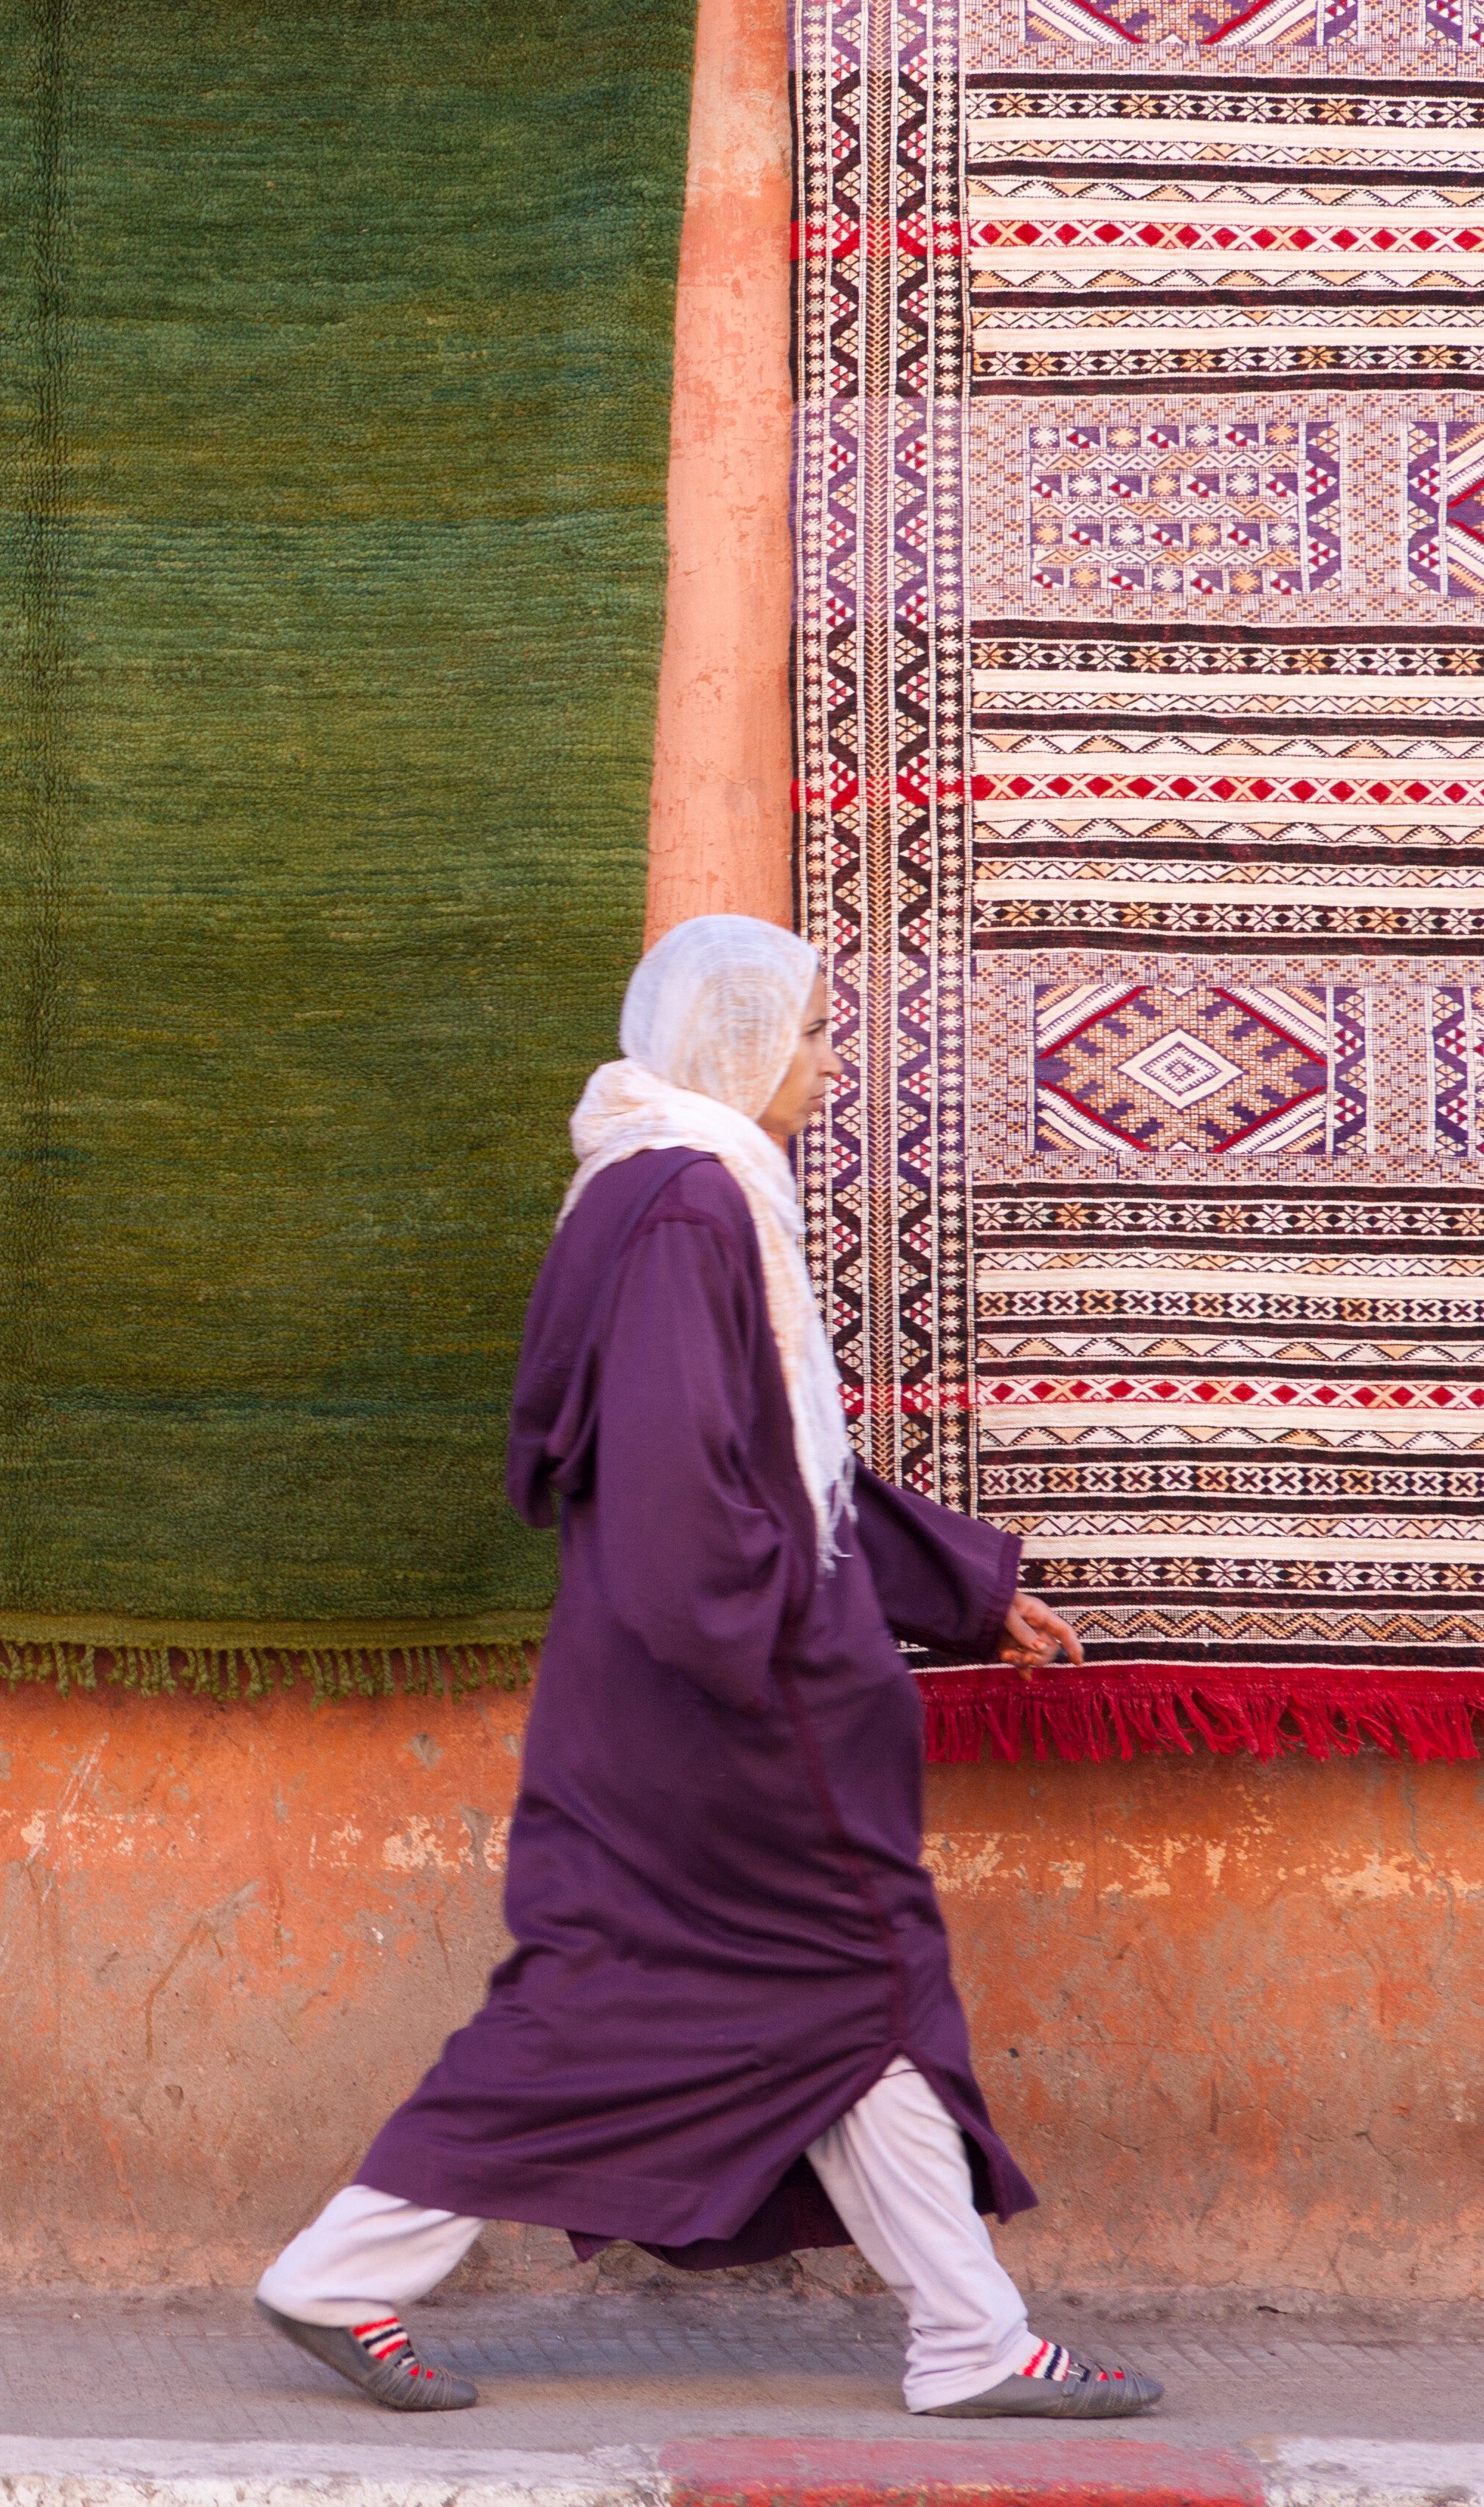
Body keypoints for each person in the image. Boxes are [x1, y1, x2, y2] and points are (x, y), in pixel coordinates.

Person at [251, 914, 1159, 2421]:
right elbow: (691, 1486)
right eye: (814, 1035)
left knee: (705, 1992)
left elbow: (778, 1469)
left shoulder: (670, 1187)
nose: (831, 1064)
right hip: (730, 1705)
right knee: (860, 1968)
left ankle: (347, 2274)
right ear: (740, 1049)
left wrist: (956, 1593)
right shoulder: (690, 1204)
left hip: (672, 1686)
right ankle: (971, 2342)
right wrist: (799, 1668)